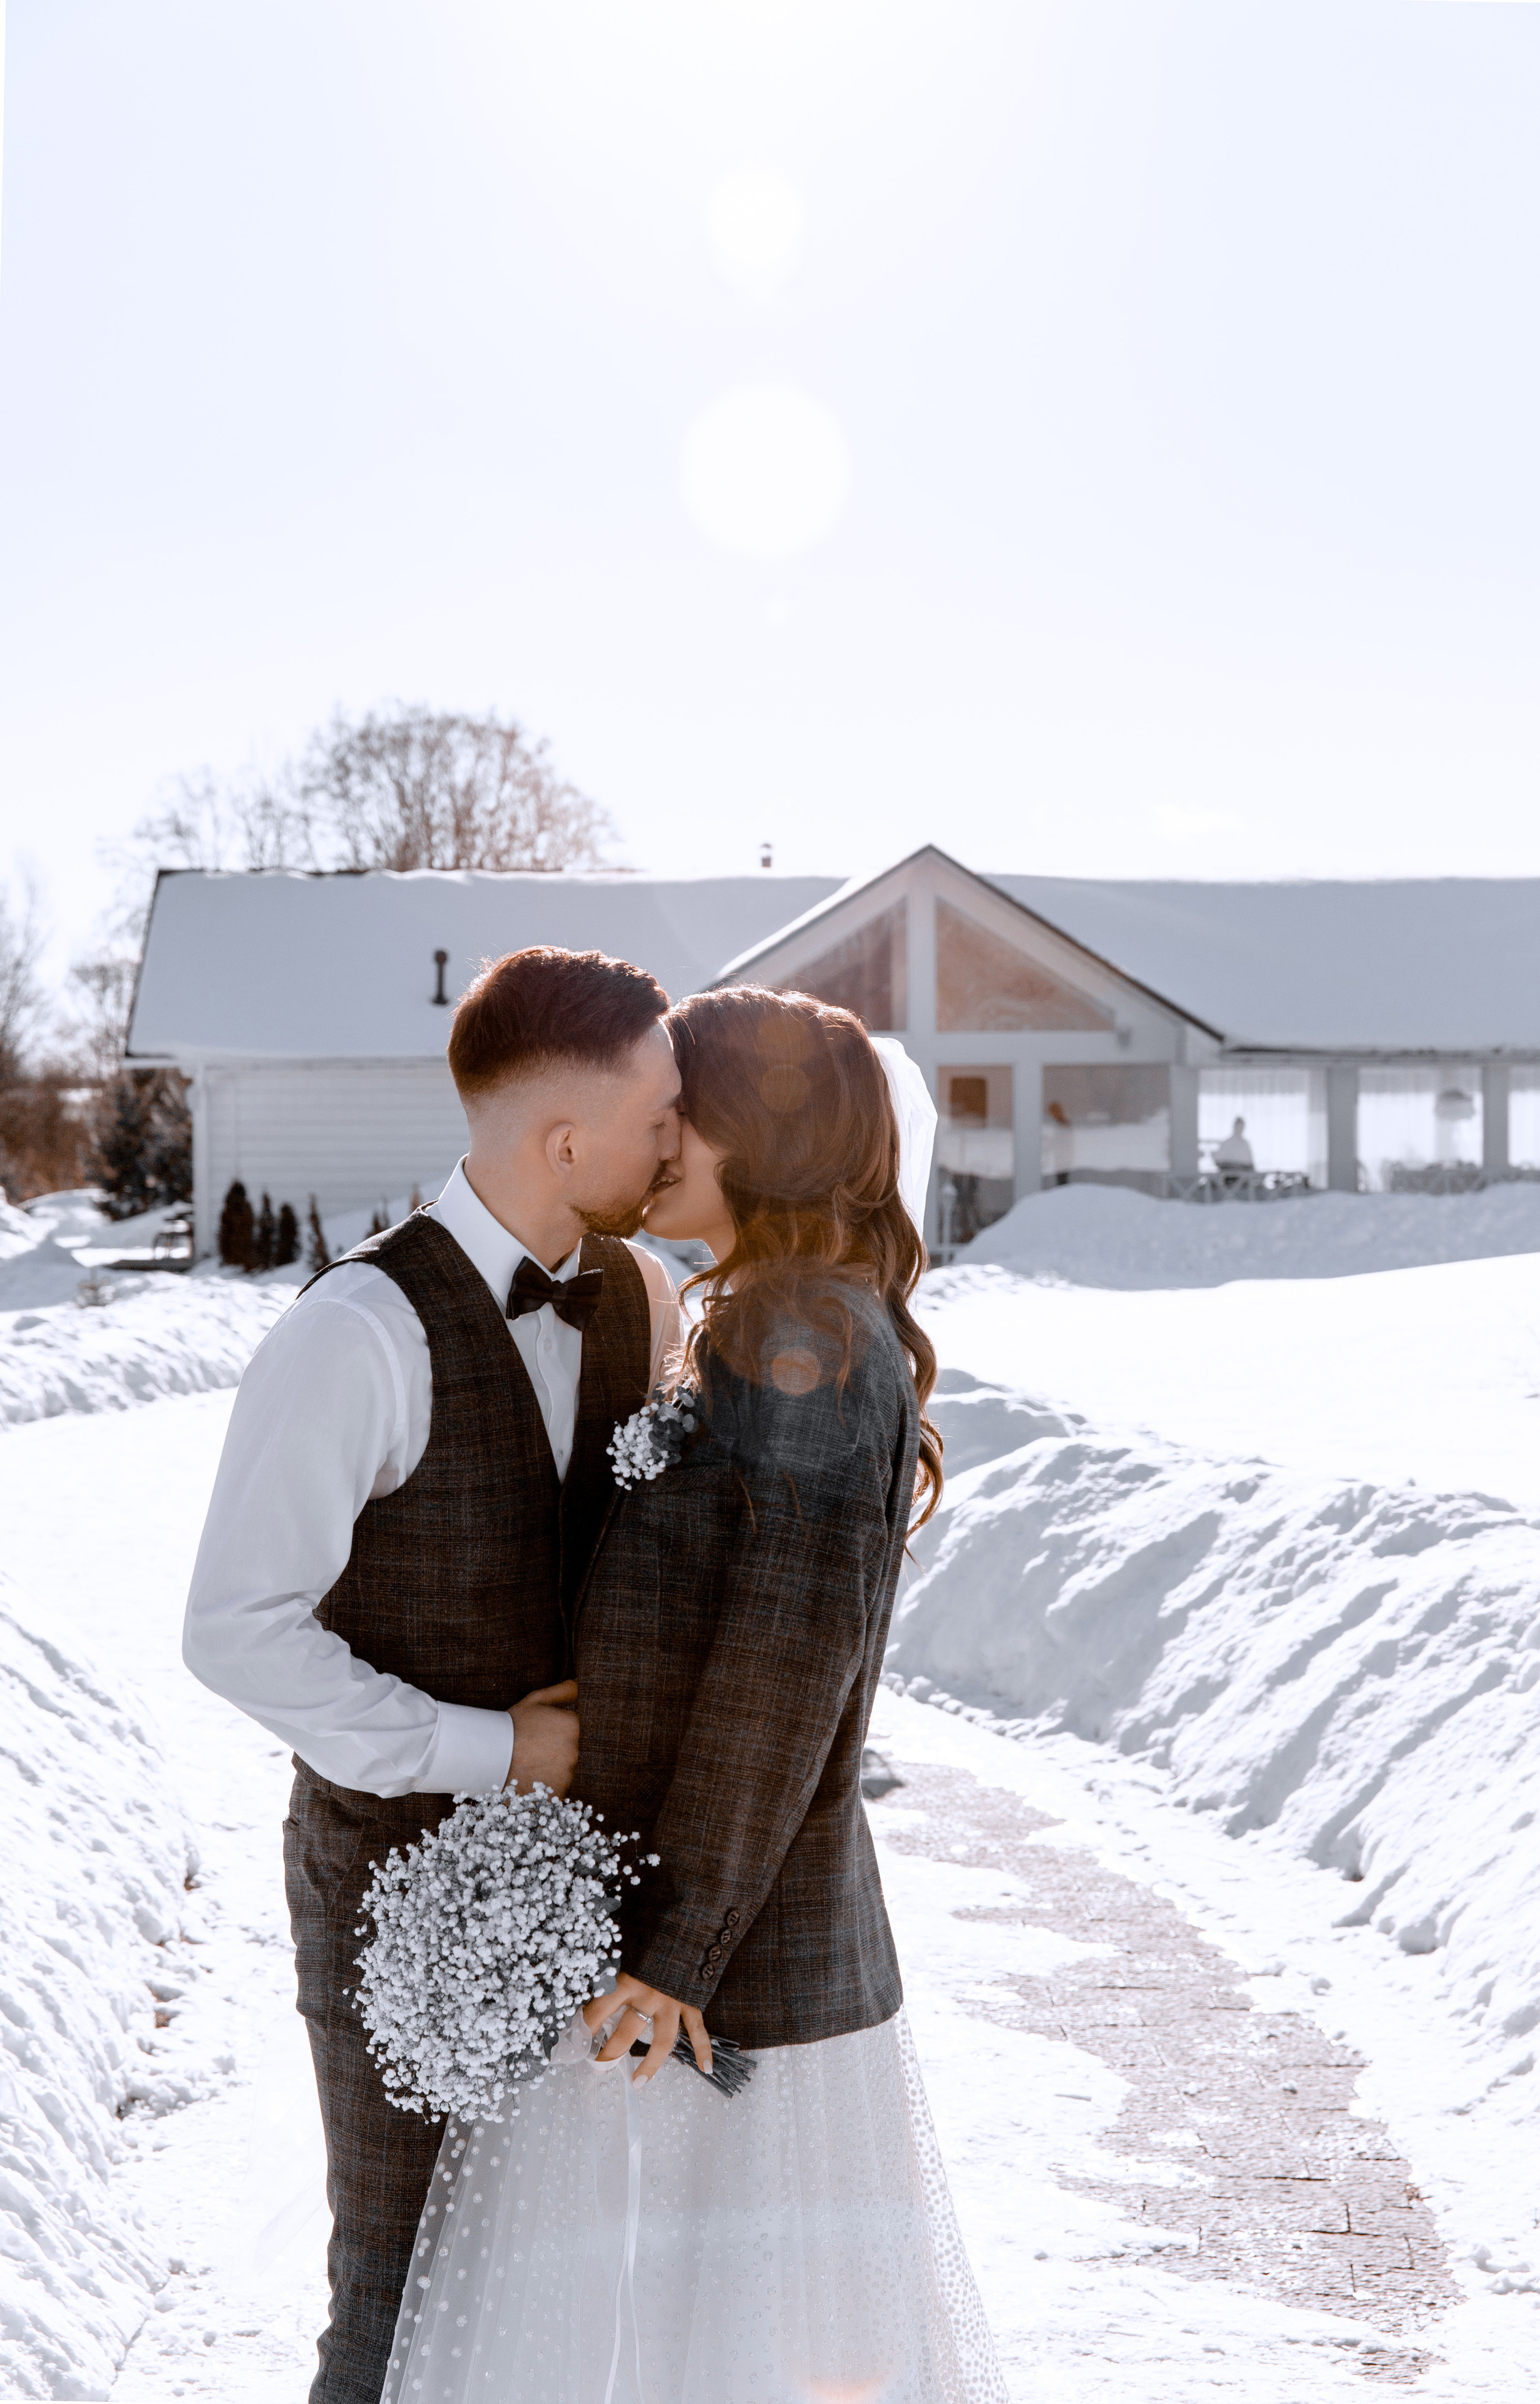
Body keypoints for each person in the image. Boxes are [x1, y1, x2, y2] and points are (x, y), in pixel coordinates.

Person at [379, 987, 1007, 2404]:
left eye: (681, 1113)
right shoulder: (751, 1321)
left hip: (736, 1972)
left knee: (742, 2355)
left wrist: (679, 1947)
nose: (653, 1141)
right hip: (678, 1940)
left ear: (758, 1134)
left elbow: (783, 1677)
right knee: (664, 2345)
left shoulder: (809, 1347)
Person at [182, 947, 687, 2404]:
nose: (676, 1138)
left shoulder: (640, 1300)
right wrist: (495, 1751)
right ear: (565, 1140)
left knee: (560, 2293)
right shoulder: (352, 1335)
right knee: (398, 2294)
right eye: (658, 1112)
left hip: (596, 1898)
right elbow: (234, 1630)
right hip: (388, 1897)